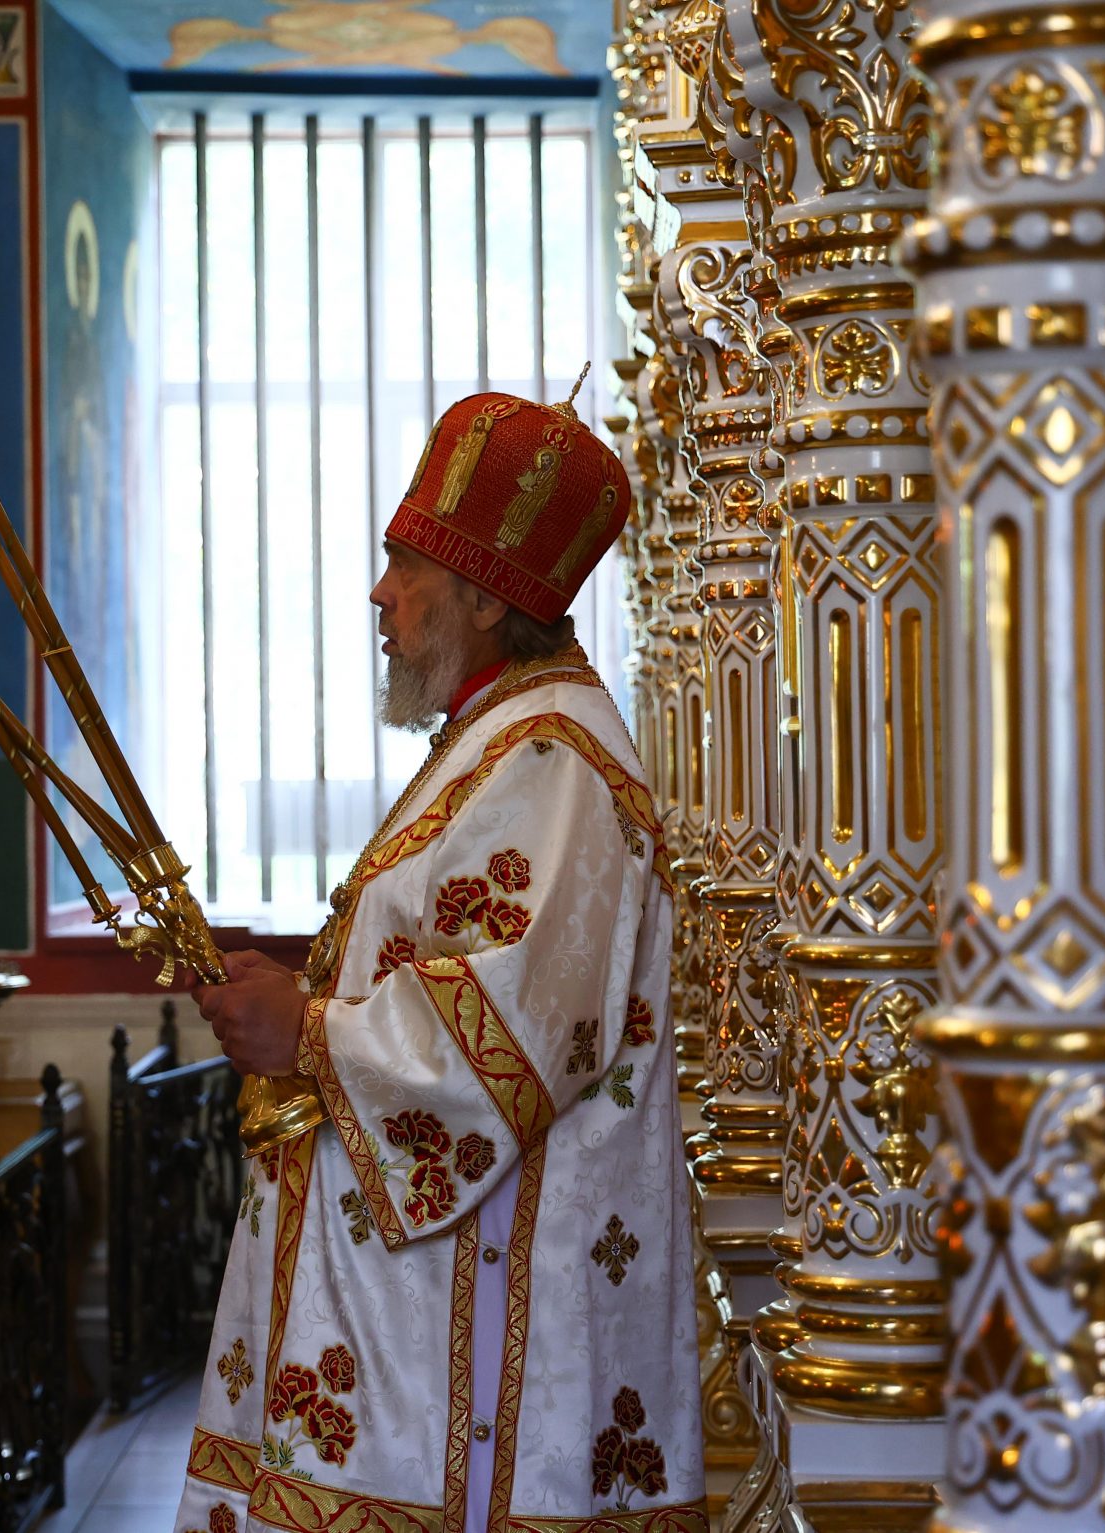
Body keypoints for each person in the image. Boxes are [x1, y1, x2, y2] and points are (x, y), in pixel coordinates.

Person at [180, 378, 702, 1530]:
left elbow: (515, 1030)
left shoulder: (550, 760)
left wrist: (307, 1032)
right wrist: (305, 995)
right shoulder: (495, 740)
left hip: (480, 1339)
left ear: (481, 596)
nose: (380, 594)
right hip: (405, 1318)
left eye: (403, 566)